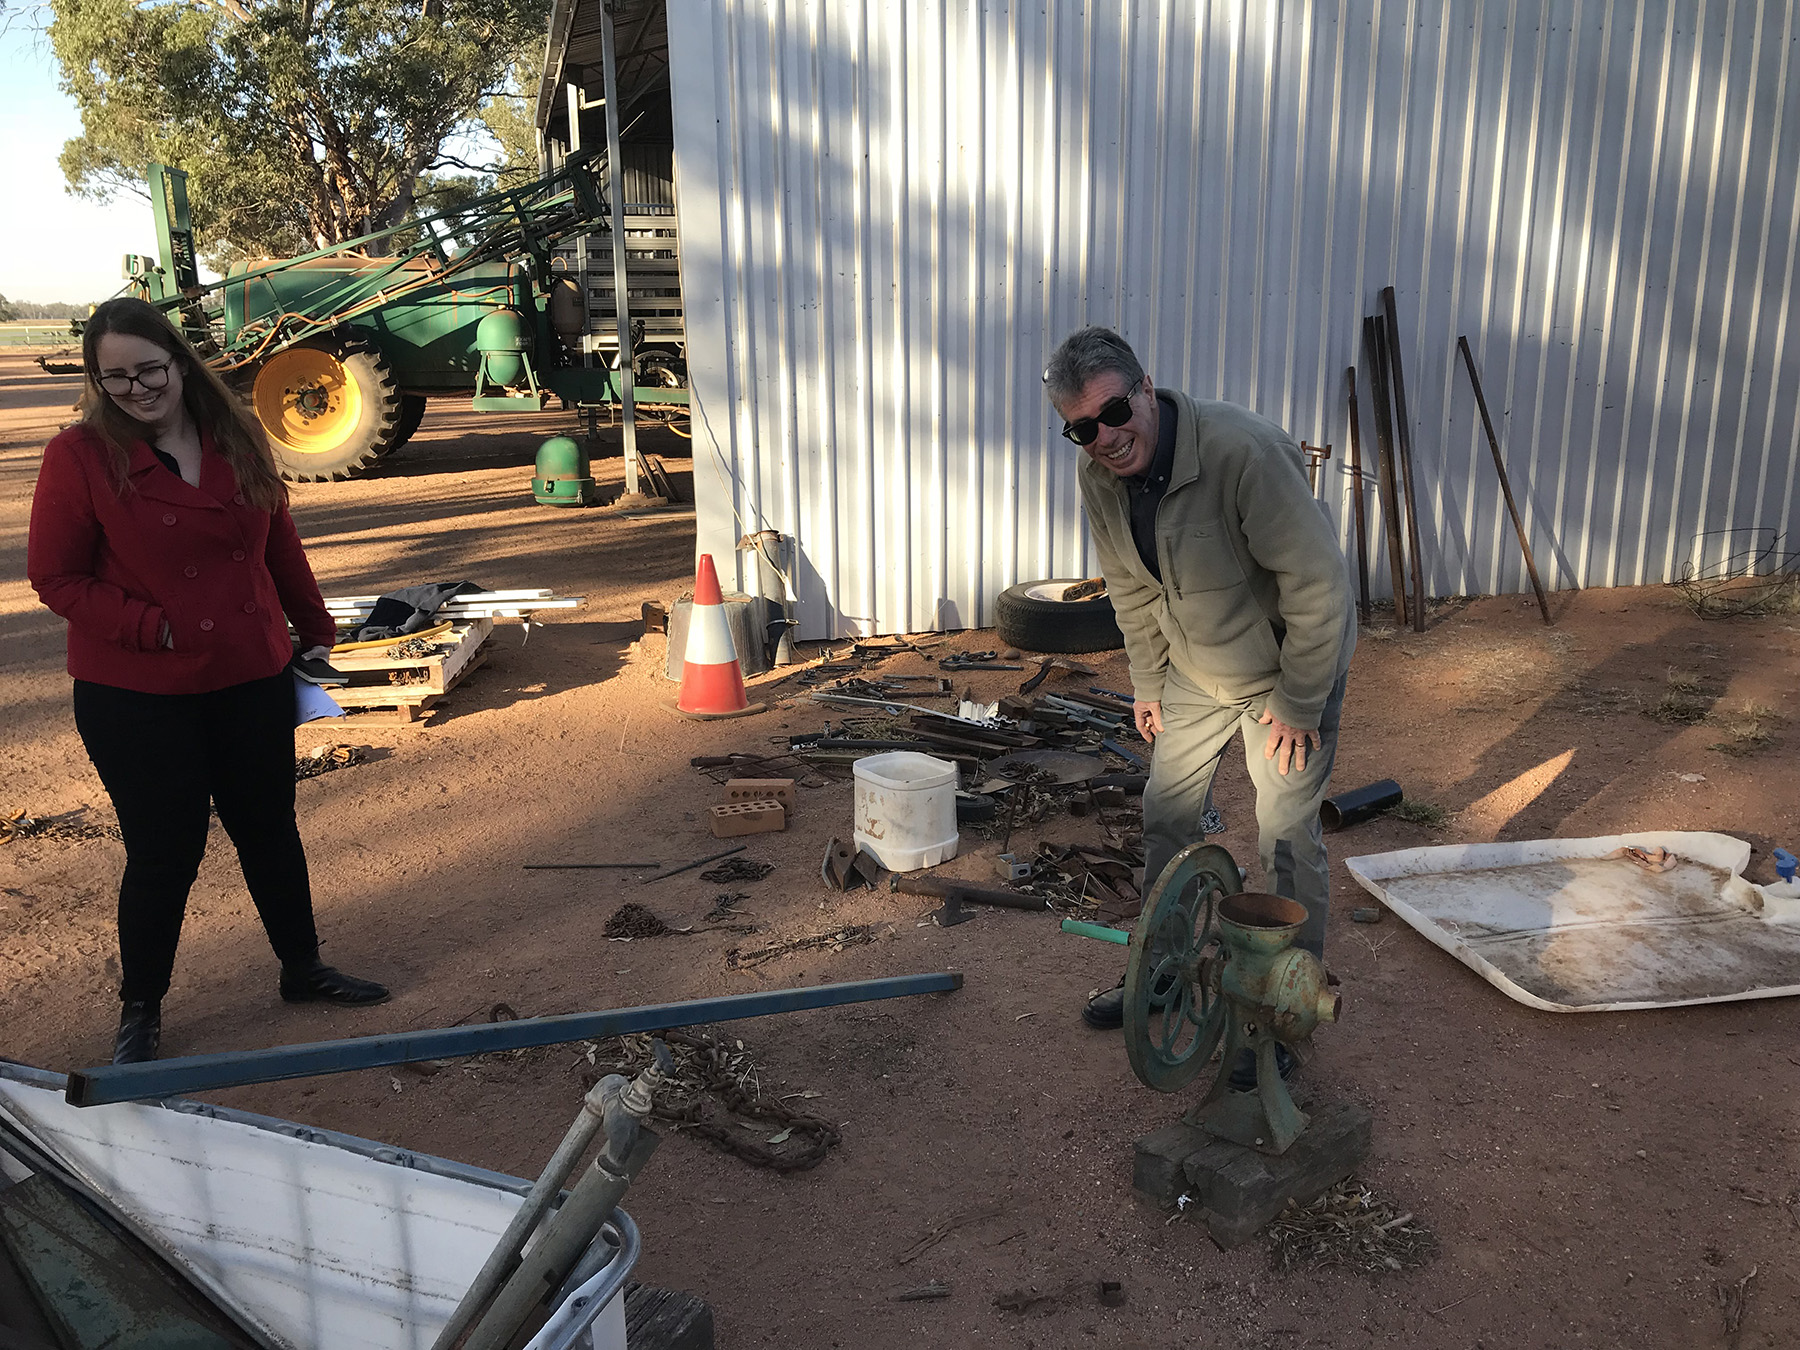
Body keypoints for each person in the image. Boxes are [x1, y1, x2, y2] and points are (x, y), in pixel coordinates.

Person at [27, 298, 390, 1066]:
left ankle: (303, 968)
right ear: (98, 382)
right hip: (137, 693)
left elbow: (277, 539)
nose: (136, 390)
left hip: (247, 673)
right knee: (166, 849)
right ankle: (141, 1006)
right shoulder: (82, 455)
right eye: (114, 378)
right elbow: (54, 576)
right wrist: (149, 627)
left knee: (268, 827)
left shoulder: (236, 435)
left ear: (180, 361)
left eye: (148, 370)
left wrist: (315, 628)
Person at [1044, 327, 1354, 1078]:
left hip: (1285, 675)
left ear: (1146, 387)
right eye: (1083, 429)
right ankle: (1164, 970)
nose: (1107, 438)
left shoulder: (1243, 452)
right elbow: (1133, 589)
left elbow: (1320, 589)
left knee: (1283, 838)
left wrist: (1301, 703)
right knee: (1168, 816)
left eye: (1115, 412)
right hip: (1194, 673)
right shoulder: (1099, 479)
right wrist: (1149, 683)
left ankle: (1282, 1009)